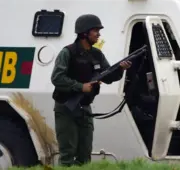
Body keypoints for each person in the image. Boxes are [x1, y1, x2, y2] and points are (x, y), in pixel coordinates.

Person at [51, 14, 131, 166]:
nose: (99, 34)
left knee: (85, 156)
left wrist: (120, 69)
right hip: (66, 108)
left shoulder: (97, 54)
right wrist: (81, 87)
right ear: (84, 33)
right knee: (68, 155)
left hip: (84, 109)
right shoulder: (67, 52)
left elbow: (108, 76)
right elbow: (57, 78)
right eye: (95, 30)